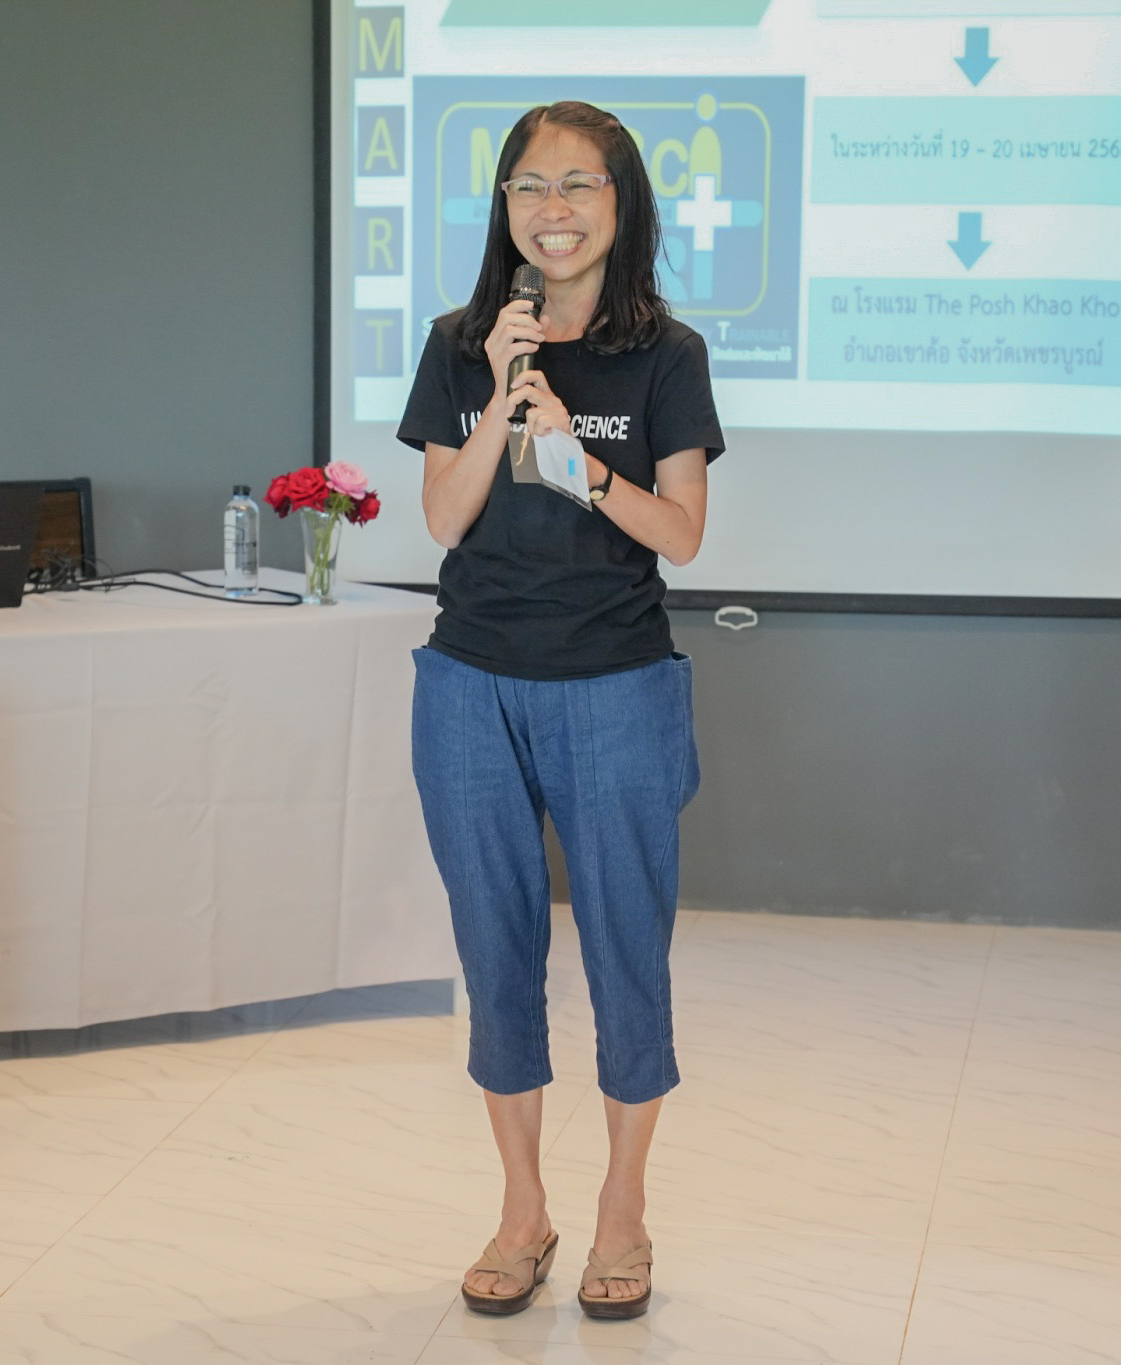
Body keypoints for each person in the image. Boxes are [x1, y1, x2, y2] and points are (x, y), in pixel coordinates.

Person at [395, 99, 723, 1321]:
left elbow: (679, 535)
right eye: (530, 186)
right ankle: (521, 1209)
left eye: (579, 184)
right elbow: (443, 519)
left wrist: (582, 461)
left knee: (626, 950)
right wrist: (499, 396)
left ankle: (622, 1210)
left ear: (619, 201)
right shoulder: (462, 343)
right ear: (505, 207)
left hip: (614, 685)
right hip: (469, 684)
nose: (554, 209)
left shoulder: (664, 354)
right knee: (495, 952)